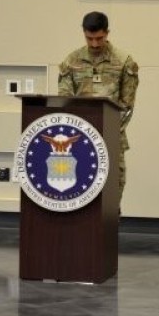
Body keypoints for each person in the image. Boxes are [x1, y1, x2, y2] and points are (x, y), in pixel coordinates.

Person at [58, 11, 139, 208]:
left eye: (99, 38)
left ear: (107, 33)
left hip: (111, 137)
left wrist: (108, 131)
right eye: (89, 38)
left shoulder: (123, 61)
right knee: (78, 186)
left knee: (113, 186)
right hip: (77, 139)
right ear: (83, 33)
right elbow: (64, 100)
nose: (94, 44)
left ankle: (110, 229)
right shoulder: (72, 61)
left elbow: (127, 105)